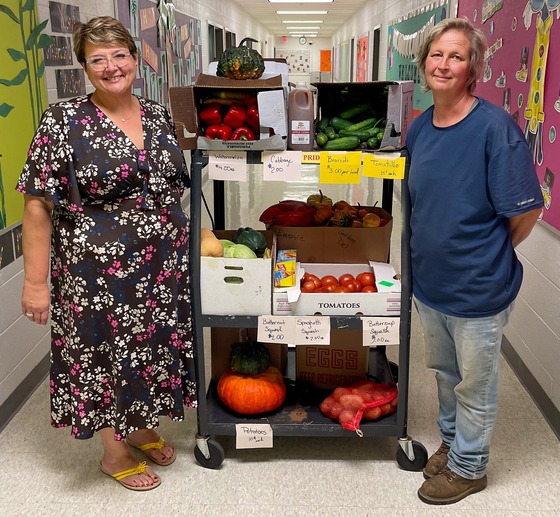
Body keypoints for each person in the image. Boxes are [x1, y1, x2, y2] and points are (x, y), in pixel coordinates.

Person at [16, 16, 196, 491]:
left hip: (160, 268)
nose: (112, 66)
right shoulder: (64, 120)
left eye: (120, 55)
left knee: (146, 351)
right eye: (98, 59)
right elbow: (37, 203)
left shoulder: (157, 114)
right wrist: (35, 283)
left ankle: (136, 426)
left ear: (136, 60)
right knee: (106, 356)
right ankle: (113, 453)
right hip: (96, 271)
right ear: (84, 67)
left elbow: (172, 187)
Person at [406, 18, 543, 505]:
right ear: (424, 64)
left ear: (473, 68)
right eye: (436, 55)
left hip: (477, 288)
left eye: (456, 56)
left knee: (476, 387)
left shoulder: (493, 127)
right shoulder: (420, 128)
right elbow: (423, 205)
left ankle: (469, 468)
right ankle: (452, 444)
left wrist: (487, 255)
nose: (443, 64)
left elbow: (526, 209)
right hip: (431, 286)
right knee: (446, 375)